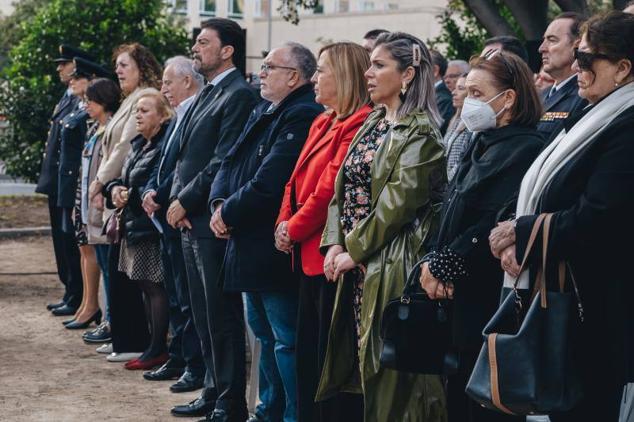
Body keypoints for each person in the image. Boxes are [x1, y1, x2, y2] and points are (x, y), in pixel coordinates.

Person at [489, 11, 634, 421]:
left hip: (599, 301)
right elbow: (541, 182)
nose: (576, 67)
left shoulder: (627, 124)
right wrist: (512, 229)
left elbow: (600, 216)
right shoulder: (590, 112)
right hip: (564, 289)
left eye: (588, 59)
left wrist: (523, 233)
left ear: (623, 68)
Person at [316, 32, 447, 422]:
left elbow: (395, 207)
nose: (367, 73)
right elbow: (341, 190)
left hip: (391, 265)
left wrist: (351, 251)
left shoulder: (421, 134)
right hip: (357, 263)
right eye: (369, 64)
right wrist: (335, 245)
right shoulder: (374, 121)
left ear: (407, 75)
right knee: (361, 367)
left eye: (379, 65)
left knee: (390, 377)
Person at [420, 51, 544, 422]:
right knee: (456, 389)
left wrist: (447, 264)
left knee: (484, 398)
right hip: (456, 289)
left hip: (487, 291)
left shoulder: (525, 147)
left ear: (508, 98)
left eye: (477, 92)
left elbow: (493, 218)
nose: (468, 100)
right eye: (465, 91)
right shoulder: (481, 140)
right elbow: (452, 204)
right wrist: (431, 259)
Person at [209, 42, 322, 422]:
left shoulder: (302, 112)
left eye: (270, 66)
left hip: (271, 246)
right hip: (247, 242)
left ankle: (290, 415)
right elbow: (229, 160)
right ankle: (268, 411)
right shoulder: (264, 108)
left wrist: (230, 211)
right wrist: (217, 205)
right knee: (264, 336)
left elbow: (271, 180)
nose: (262, 72)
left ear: (294, 77)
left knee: (285, 341)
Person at [274, 42, 372, 422]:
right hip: (305, 251)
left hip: (328, 258)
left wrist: (293, 229)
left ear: (344, 76)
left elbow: (328, 190)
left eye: (322, 71)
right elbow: (295, 181)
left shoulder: (359, 123)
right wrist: (284, 223)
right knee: (306, 356)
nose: (315, 78)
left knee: (326, 359)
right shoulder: (323, 119)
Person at [167, 18, 258, 421]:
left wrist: (186, 200)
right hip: (190, 219)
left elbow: (223, 159)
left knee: (221, 315)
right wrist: (175, 199)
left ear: (227, 51)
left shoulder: (238, 95)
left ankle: (230, 401)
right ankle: (211, 388)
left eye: (204, 43)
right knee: (201, 313)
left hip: (209, 220)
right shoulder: (208, 93)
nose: (196, 49)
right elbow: (186, 156)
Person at [90, 43, 162, 362]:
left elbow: (122, 149)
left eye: (124, 65)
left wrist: (100, 182)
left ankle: (131, 338)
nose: (118, 71)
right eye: (117, 66)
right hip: (118, 192)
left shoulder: (144, 99)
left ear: (141, 67)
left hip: (124, 193)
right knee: (118, 271)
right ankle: (121, 334)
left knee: (130, 276)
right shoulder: (128, 100)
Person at [141, 56, 206, 393]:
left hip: (186, 218)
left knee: (189, 300)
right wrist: (152, 189)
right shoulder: (180, 115)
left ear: (187, 81)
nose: (163, 88)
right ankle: (180, 357)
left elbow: (192, 168)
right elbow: (165, 164)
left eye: (168, 81)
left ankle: (192, 366)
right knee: (179, 296)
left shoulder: (195, 112)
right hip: (166, 216)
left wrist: (169, 196)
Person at [104, 90, 173, 370]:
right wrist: (115, 189)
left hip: (148, 227)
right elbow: (124, 177)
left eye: (145, 111)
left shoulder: (162, 146)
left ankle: (157, 348)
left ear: (162, 115)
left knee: (155, 287)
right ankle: (151, 345)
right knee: (144, 285)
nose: (138, 115)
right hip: (133, 224)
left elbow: (154, 183)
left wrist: (129, 193)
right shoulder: (138, 144)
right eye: (137, 111)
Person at [38, 44, 94, 317]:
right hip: (58, 181)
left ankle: (77, 294)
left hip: (70, 183)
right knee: (63, 242)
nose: (61, 69)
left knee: (72, 243)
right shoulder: (69, 97)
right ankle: (71, 291)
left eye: (65, 64)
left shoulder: (80, 100)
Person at [56, 58, 112, 330]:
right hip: (78, 192)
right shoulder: (87, 121)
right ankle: (85, 303)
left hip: (90, 196)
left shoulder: (100, 125)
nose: (71, 81)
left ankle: (90, 305)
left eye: (79, 78)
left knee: (91, 253)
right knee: (82, 251)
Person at [79, 78, 122, 348]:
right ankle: (106, 317)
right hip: (90, 205)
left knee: (108, 269)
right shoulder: (96, 128)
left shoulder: (110, 127)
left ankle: (110, 320)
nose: (86, 105)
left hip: (102, 207)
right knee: (102, 264)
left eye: (91, 101)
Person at [537, 12, 588, 140]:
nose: (541, 48)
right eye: (544, 40)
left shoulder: (584, 96)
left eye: (552, 40)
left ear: (576, 46)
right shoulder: (540, 95)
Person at [441, 72, 471, 182]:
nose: (453, 92)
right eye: (455, 88)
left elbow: (461, 163)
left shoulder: (473, 125)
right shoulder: (456, 120)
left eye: (461, 88)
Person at [430, 49, 455, 135]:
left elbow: (433, 135)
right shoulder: (432, 96)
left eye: (420, 68)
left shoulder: (443, 100)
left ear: (435, 70)